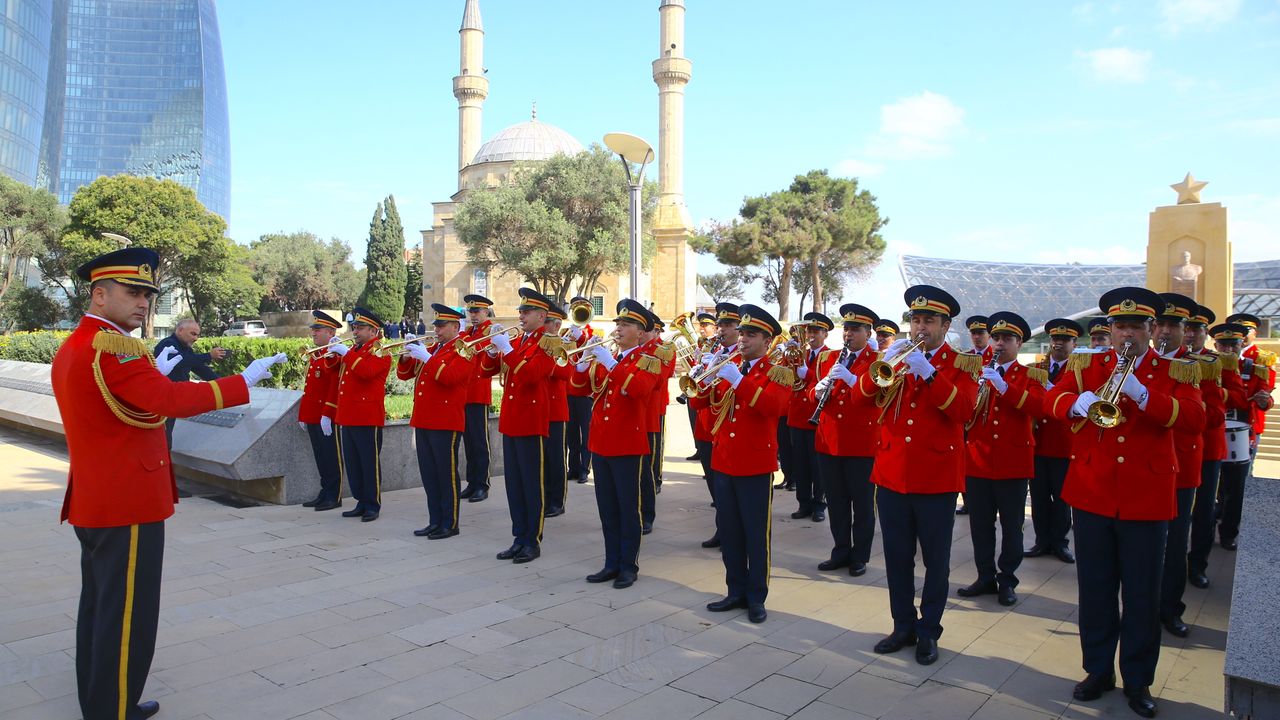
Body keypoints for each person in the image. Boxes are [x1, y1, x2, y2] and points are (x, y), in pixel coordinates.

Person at [52, 247, 284, 720]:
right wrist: (242, 382)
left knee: (101, 607)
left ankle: (99, 700)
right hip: (127, 502)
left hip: (98, 497)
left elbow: (131, 408)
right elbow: (170, 400)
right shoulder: (112, 348)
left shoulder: (82, 343)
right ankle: (114, 710)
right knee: (126, 616)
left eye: (147, 294)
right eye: (132, 292)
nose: (143, 302)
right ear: (100, 295)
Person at [1046, 286, 1204, 719]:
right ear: (1110, 330)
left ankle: (1138, 680)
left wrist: (1143, 394)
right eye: (1120, 327)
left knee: (1142, 595)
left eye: (1136, 326)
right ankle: (1097, 671)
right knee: (1096, 591)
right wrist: (1075, 403)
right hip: (1092, 493)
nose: (1127, 334)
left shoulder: (1177, 370)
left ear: (1151, 329)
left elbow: (1195, 419)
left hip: (1146, 498)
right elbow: (1049, 399)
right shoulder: (1087, 365)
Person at [848, 285, 979, 666]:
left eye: (929, 321)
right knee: (897, 557)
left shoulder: (963, 364)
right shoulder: (898, 358)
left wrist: (931, 374)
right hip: (893, 474)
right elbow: (859, 398)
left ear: (945, 326)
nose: (921, 327)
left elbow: (964, 412)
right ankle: (902, 625)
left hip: (936, 477)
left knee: (935, 562)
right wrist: (884, 365)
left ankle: (929, 630)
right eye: (916, 320)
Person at [691, 303, 792, 624]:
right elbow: (700, 402)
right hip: (724, 460)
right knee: (731, 531)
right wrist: (702, 377)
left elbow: (773, 407)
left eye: (752, 334)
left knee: (755, 535)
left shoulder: (778, 371)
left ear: (767, 340)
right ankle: (734, 590)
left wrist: (738, 381)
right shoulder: (730, 365)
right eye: (743, 333)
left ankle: (756, 596)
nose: (743, 339)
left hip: (755, 464)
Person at [957, 311, 1045, 607]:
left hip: (1013, 463)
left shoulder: (1031, 375)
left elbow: (1039, 407)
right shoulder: (975, 371)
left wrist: (1005, 387)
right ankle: (984, 576)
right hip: (978, 460)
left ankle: (1007, 579)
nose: (999, 343)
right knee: (980, 525)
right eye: (996, 337)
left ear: (1019, 343)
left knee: (1012, 526)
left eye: (1007, 338)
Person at [581, 299, 661, 588]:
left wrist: (610, 362)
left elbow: (639, 389)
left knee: (628, 508)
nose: (618, 329)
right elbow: (580, 388)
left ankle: (628, 565)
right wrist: (583, 363)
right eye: (618, 324)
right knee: (607, 508)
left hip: (628, 443)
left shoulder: (648, 361)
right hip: (601, 441)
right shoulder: (610, 358)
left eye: (625, 325)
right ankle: (611, 562)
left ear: (640, 332)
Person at [484, 287, 559, 563]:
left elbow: (531, 375)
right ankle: (519, 537)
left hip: (531, 421)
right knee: (514, 485)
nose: (521, 316)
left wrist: (506, 349)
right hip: (512, 420)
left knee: (531, 484)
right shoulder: (519, 341)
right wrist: (493, 351)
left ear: (541, 316)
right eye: (521, 311)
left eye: (527, 312)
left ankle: (532, 540)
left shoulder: (548, 343)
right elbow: (485, 370)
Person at [1153, 294, 1213, 638]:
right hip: (1143, 467)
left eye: (1172, 325)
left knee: (1175, 544)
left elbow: (1211, 415)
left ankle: (1170, 609)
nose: (1165, 331)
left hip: (1180, 465)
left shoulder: (1200, 366)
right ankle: (1142, 608)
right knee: (1142, 546)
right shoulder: (1136, 363)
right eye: (1160, 324)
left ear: (1184, 330)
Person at [810, 304, 880, 577]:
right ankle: (840, 550)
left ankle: (859, 555)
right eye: (847, 329)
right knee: (837, 502)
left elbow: (875, 398)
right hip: (829, 441)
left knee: (862, 505)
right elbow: (811, 391)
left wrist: (852, 380)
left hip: (861, 443)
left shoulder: (878, 361)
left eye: (855, 329)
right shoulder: (827, 358)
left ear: (868, 333)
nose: (849, 334)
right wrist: (816, 393)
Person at [399, 304, 475, 539]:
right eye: (436, 326)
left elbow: (450, 377)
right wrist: (406, 356)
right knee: (430, 475)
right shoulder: (435, 348)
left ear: (455, 326)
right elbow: (404, 375)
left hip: (445, 420)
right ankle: (435, 521)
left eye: (442, 326)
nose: (437, 330)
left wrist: (427, 357)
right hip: (424, 418)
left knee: (446, 474)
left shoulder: (464, 348)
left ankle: (450, 523)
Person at [1185, 313, 1237, 590]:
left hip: (1207, 448)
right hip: (1174, 448)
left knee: (1204, 511)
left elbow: (1238, 397)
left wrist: (1199, 402)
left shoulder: (1219, 362)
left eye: (1196, 329)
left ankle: (1197, 565)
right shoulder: (1166, 361)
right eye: (1187, 329)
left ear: (1205, 333)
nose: (1190, 334)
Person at [1025, 318, 1083, 562]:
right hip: (1039, 443)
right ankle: (1041, 541)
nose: (1059, 343)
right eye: (1055, 339)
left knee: (1061, 499)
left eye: (1065, 339)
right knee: (1039, 497)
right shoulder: (1037, 367)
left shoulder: (1079, 370)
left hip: (1063, 443)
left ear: (1074, 343)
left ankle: (1060, 542)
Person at [1216, 313, 1274, 551]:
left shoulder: (1254, 367)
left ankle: (1229, 532)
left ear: (1241, 344)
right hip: (1211, 432)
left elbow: (1266, 396)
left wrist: (1264, 401)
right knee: (1212, 486)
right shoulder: (1204, 365)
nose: (1229, 349)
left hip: (1242, 433)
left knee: (1238, 487)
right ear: (1216, 345)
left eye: (1234, 344)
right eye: (1224, 344)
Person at [329, 307, 392, 522]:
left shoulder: (380, 351)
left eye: (360, 328)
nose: (355, 331)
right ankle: (361, 501)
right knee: (354, 463)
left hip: (367, 415)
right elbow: (335, 371)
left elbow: (366, 372)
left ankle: (372, 504)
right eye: (354, 327)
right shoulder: (355, 349)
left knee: (368, 463)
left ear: (373, 331)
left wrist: (347, 354)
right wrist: (335, 352)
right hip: (348, 414)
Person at [695, 302, 741, 549]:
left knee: (730, 489)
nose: (721, 329)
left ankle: (730, 532)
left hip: (726, 428)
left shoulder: (742, 356)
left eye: (728, 325)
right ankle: (722, 528)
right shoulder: (712, 351)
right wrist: (701, 370)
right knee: (715, 485)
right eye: (720, 324)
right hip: (706, 426)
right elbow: (697, 397)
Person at [154, 317, 227, 452]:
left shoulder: (186, 348)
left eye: (197, 335)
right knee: (161, 440)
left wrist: (224, 384)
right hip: (162, 401)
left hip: (173, 399)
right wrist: (208, 356)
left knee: (165, 439)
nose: (196, 338)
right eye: (193, 334)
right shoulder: (168, 344)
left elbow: (199, 368)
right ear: (180, 330)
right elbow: (183, 361)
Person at [786, 313, 832, 522]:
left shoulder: (830, 355)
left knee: (818, 466)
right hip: (797, 415)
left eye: (816, 331)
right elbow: (785, 375)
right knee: (800, 464)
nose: (811, 335)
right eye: (809, 331)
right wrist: (787, 355)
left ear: (825, 334)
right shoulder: (799, 353)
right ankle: (803, 503)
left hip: (816, 416)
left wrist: (809, 375)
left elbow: (828, 381)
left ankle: (819, 505)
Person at [299, 311, 344, 512]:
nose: (314, 333)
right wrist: (304, 415)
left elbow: (334, 386)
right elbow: (309, 389)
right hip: (313, 414)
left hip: (327, 414)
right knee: (320, 456)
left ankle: (334, 495)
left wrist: (328, 413)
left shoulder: (335, 354)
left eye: (318, 330)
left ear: (331, 332)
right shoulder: (317, 354)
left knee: (331, 456)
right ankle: (325, 492)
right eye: (313, 330)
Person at [458, 294, 495, 502]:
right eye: (470, 312)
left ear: (485, 312)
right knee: (469, 443)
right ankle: (472, 482)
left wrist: (464, 335)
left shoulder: (490, 330)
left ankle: (482, 484)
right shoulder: (470, 332)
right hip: (465, 392)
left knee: (480, 442)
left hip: (478, 393)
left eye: (476, 311)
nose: (472, 315)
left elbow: (476, 350)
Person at [542, 302, 574, 518]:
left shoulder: (564, 346)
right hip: (537, 409)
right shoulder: (536, 343)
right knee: (540, 459)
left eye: (546, 322)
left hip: (555, 409)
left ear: (556, 326)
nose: (542, 326)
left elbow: (565, 373)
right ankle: (543, 497)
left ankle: (556, 501)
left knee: (555, 458)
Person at [565, 296, 596, 484]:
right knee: (571, 434)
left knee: (586, 433)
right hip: (569, 390)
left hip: (585, 392)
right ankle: (573, 467)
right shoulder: (566, 332)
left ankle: (585, 468)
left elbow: (592, 351)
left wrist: (581, 338)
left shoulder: (593, 333)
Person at [683, 311, 717, 460]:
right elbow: (695, 366)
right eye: (701, 325)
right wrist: (694, 360)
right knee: (694, 419)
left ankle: (706, 449)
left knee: (706, 423)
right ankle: (699, 448)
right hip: (695, 386)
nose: (702, 328)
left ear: (714, 327)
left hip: (707, 390)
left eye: (705, 325)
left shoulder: (717, 343)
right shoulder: (701, 343)